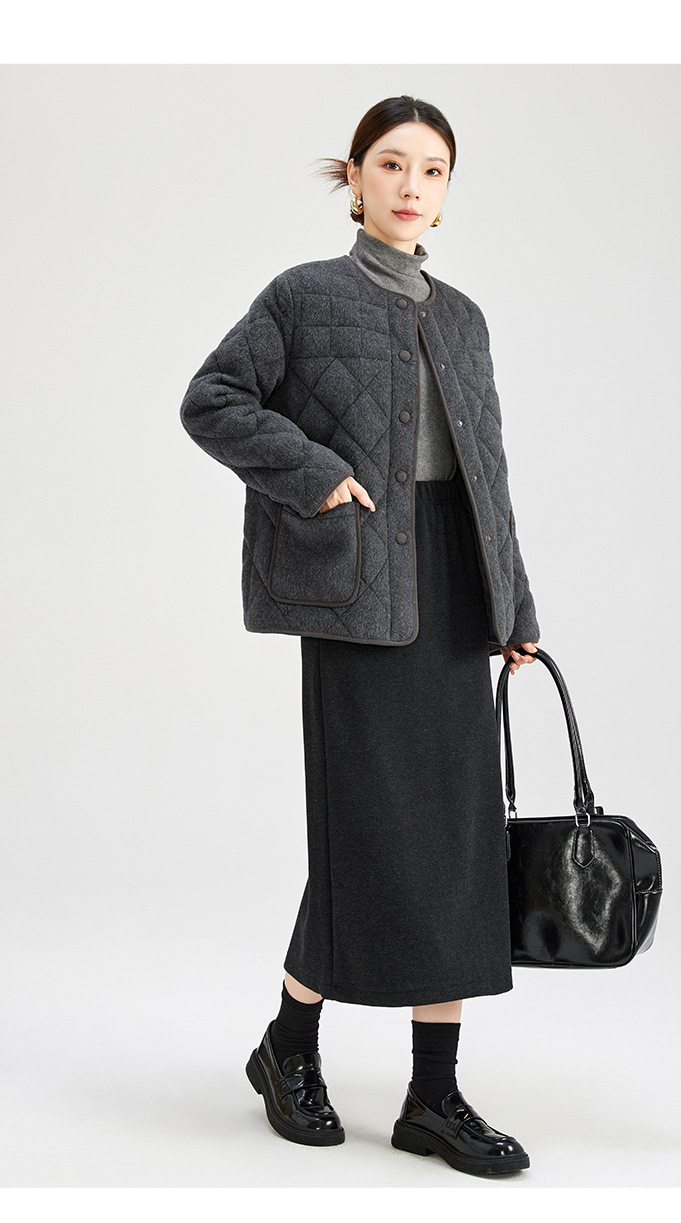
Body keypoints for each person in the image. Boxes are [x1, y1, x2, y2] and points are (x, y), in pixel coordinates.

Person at [180, 95, 541, 1179]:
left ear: (447, 190)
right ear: (354, 177)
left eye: (432, 170)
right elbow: (212, 399)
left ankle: (434, 1094)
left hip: (454, 591)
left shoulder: (464, 317)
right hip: (357, 590)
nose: (411, 186)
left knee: (459, 842)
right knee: (369, 836)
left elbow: (488, 475)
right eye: (392, 163)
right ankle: (290, 1045)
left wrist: (515, 606)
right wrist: (316, 474)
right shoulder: (304, 295)